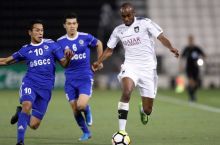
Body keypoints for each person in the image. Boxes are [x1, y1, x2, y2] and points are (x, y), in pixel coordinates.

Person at [92, 2, 179, 133]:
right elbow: (109, 50)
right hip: (130, 66)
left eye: (128, 15)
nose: (126, 19)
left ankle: (143, 111)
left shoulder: (145, 23)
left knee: (148, 110)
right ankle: (122, 132)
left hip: (148, 69)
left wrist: (171, 48)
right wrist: (98, 61)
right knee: (126, 92)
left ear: (134, 14)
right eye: (123, 16)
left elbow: (160, 37)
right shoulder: (118, 30)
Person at [0, 19, 73, 145]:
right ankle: (20, 142)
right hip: (30, 83)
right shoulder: (25, 50)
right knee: (27, 105)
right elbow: (6, 61)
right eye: (37, 30)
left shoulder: (52, 45)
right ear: (30, 32)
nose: (40, 33)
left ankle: (20, 113)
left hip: (46, 89)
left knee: (34, 125)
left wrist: (68, 58)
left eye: (42, 30)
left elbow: (64, 64)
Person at [57, 13, 103, 141]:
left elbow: (98, 43)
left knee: (81, 106)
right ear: (64, 26)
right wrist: (67, 58)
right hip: (70, 79)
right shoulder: (60, 42)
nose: (72, 26)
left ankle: (87, 109)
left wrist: (99, 61)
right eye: (69, 24)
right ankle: (86, 133)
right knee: (75, 109)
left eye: (74, 23)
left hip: (85, 77)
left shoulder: (85, 37)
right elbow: (63, 65)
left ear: (77, 25)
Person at [181, 35, 206, 102]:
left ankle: (193, 94)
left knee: (195, 83)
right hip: (189, 68)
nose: (190, 41)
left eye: (191, 39)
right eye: (189, 40)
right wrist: (181, 65)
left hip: (196, 68)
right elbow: (182, 57)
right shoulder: (186, 49)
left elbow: (204, 55)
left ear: (193, 40)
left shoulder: (196, 48)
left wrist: (201, 60)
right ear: (188, 40)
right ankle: (191, 97)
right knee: (191, 82)